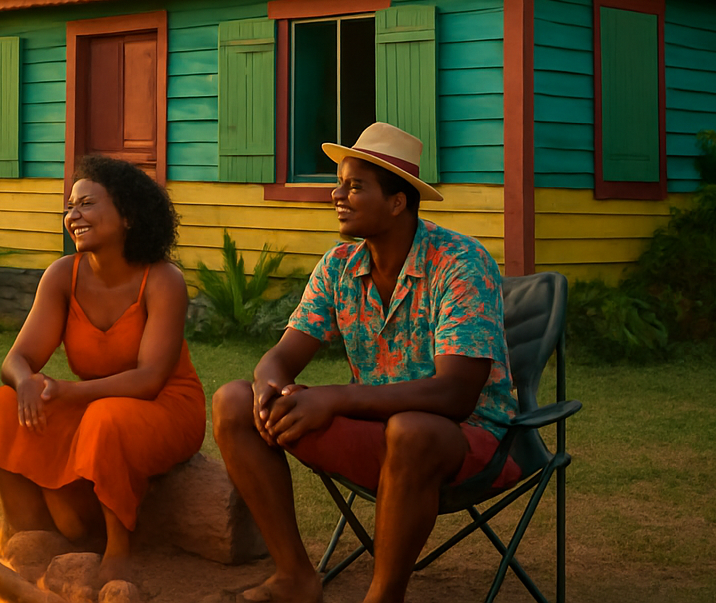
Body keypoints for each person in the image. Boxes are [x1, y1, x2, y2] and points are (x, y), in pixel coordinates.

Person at [212, 123, 521, 603]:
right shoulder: (339, 265)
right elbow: (282, 356)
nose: (337, 195)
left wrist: (336, 397)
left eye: (355, 186)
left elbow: (455, 395)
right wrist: (268, 385)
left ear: (397, 202)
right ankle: (295, 577)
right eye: (339, 183)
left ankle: (383, 597)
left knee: (412, 431)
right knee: (233, 401)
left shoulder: (460, 263)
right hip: (379, 432)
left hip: (466, 440)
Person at [0, 154, 205, 587]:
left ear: (128, 215)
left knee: (105, 417)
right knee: (1, 403)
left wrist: (65, 392)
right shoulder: (62, 276)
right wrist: (26, 380)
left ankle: (118, 548)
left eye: (86, 203)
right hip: (95, 403)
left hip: (165, 406)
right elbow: (16, 358)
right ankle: (33, 535)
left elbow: (149, 379)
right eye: (70, 206)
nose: (73, 215)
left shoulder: (163, 280)